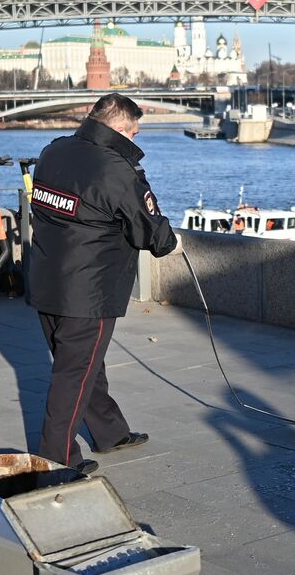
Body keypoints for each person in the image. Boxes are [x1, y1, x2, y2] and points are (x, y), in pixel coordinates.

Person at [25, 93, 182, 474]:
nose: (137, 137)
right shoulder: (117, 170)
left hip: (46, 280)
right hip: (89, 291)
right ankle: (56, 460)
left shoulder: (53, 151)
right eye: (133, 130)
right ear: (117, 127)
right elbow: (153, 234)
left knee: (82, 364)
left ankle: (111, 432)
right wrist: (171, 240)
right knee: (73, 374)